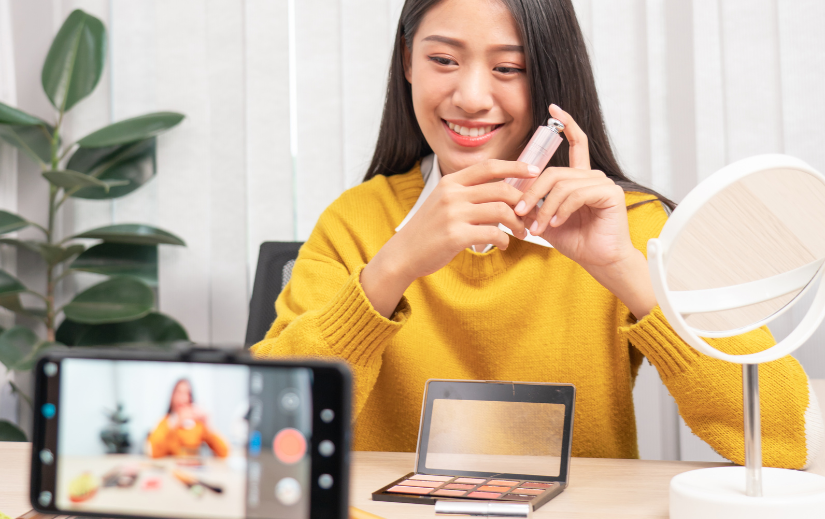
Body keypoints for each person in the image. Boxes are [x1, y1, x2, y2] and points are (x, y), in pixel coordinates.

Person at [252, 0, 823, 468]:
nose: (472, 97)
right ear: (408, 62)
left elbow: (784, 433)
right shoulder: (357, 220)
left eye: (509, 68)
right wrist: (391, 268)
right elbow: (266, 429)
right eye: (444, 60)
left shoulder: (628, 226)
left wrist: (623, 269)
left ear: (551, 75)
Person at [147, 379, 229, 458]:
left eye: (187, 393)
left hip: (193, 470)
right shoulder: (165, 423)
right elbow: (153, 453)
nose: (183, 398)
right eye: (179, 392)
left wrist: (208, 425)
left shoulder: (197, 424)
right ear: (172, 396)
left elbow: (224, 453)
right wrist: (174, 423)